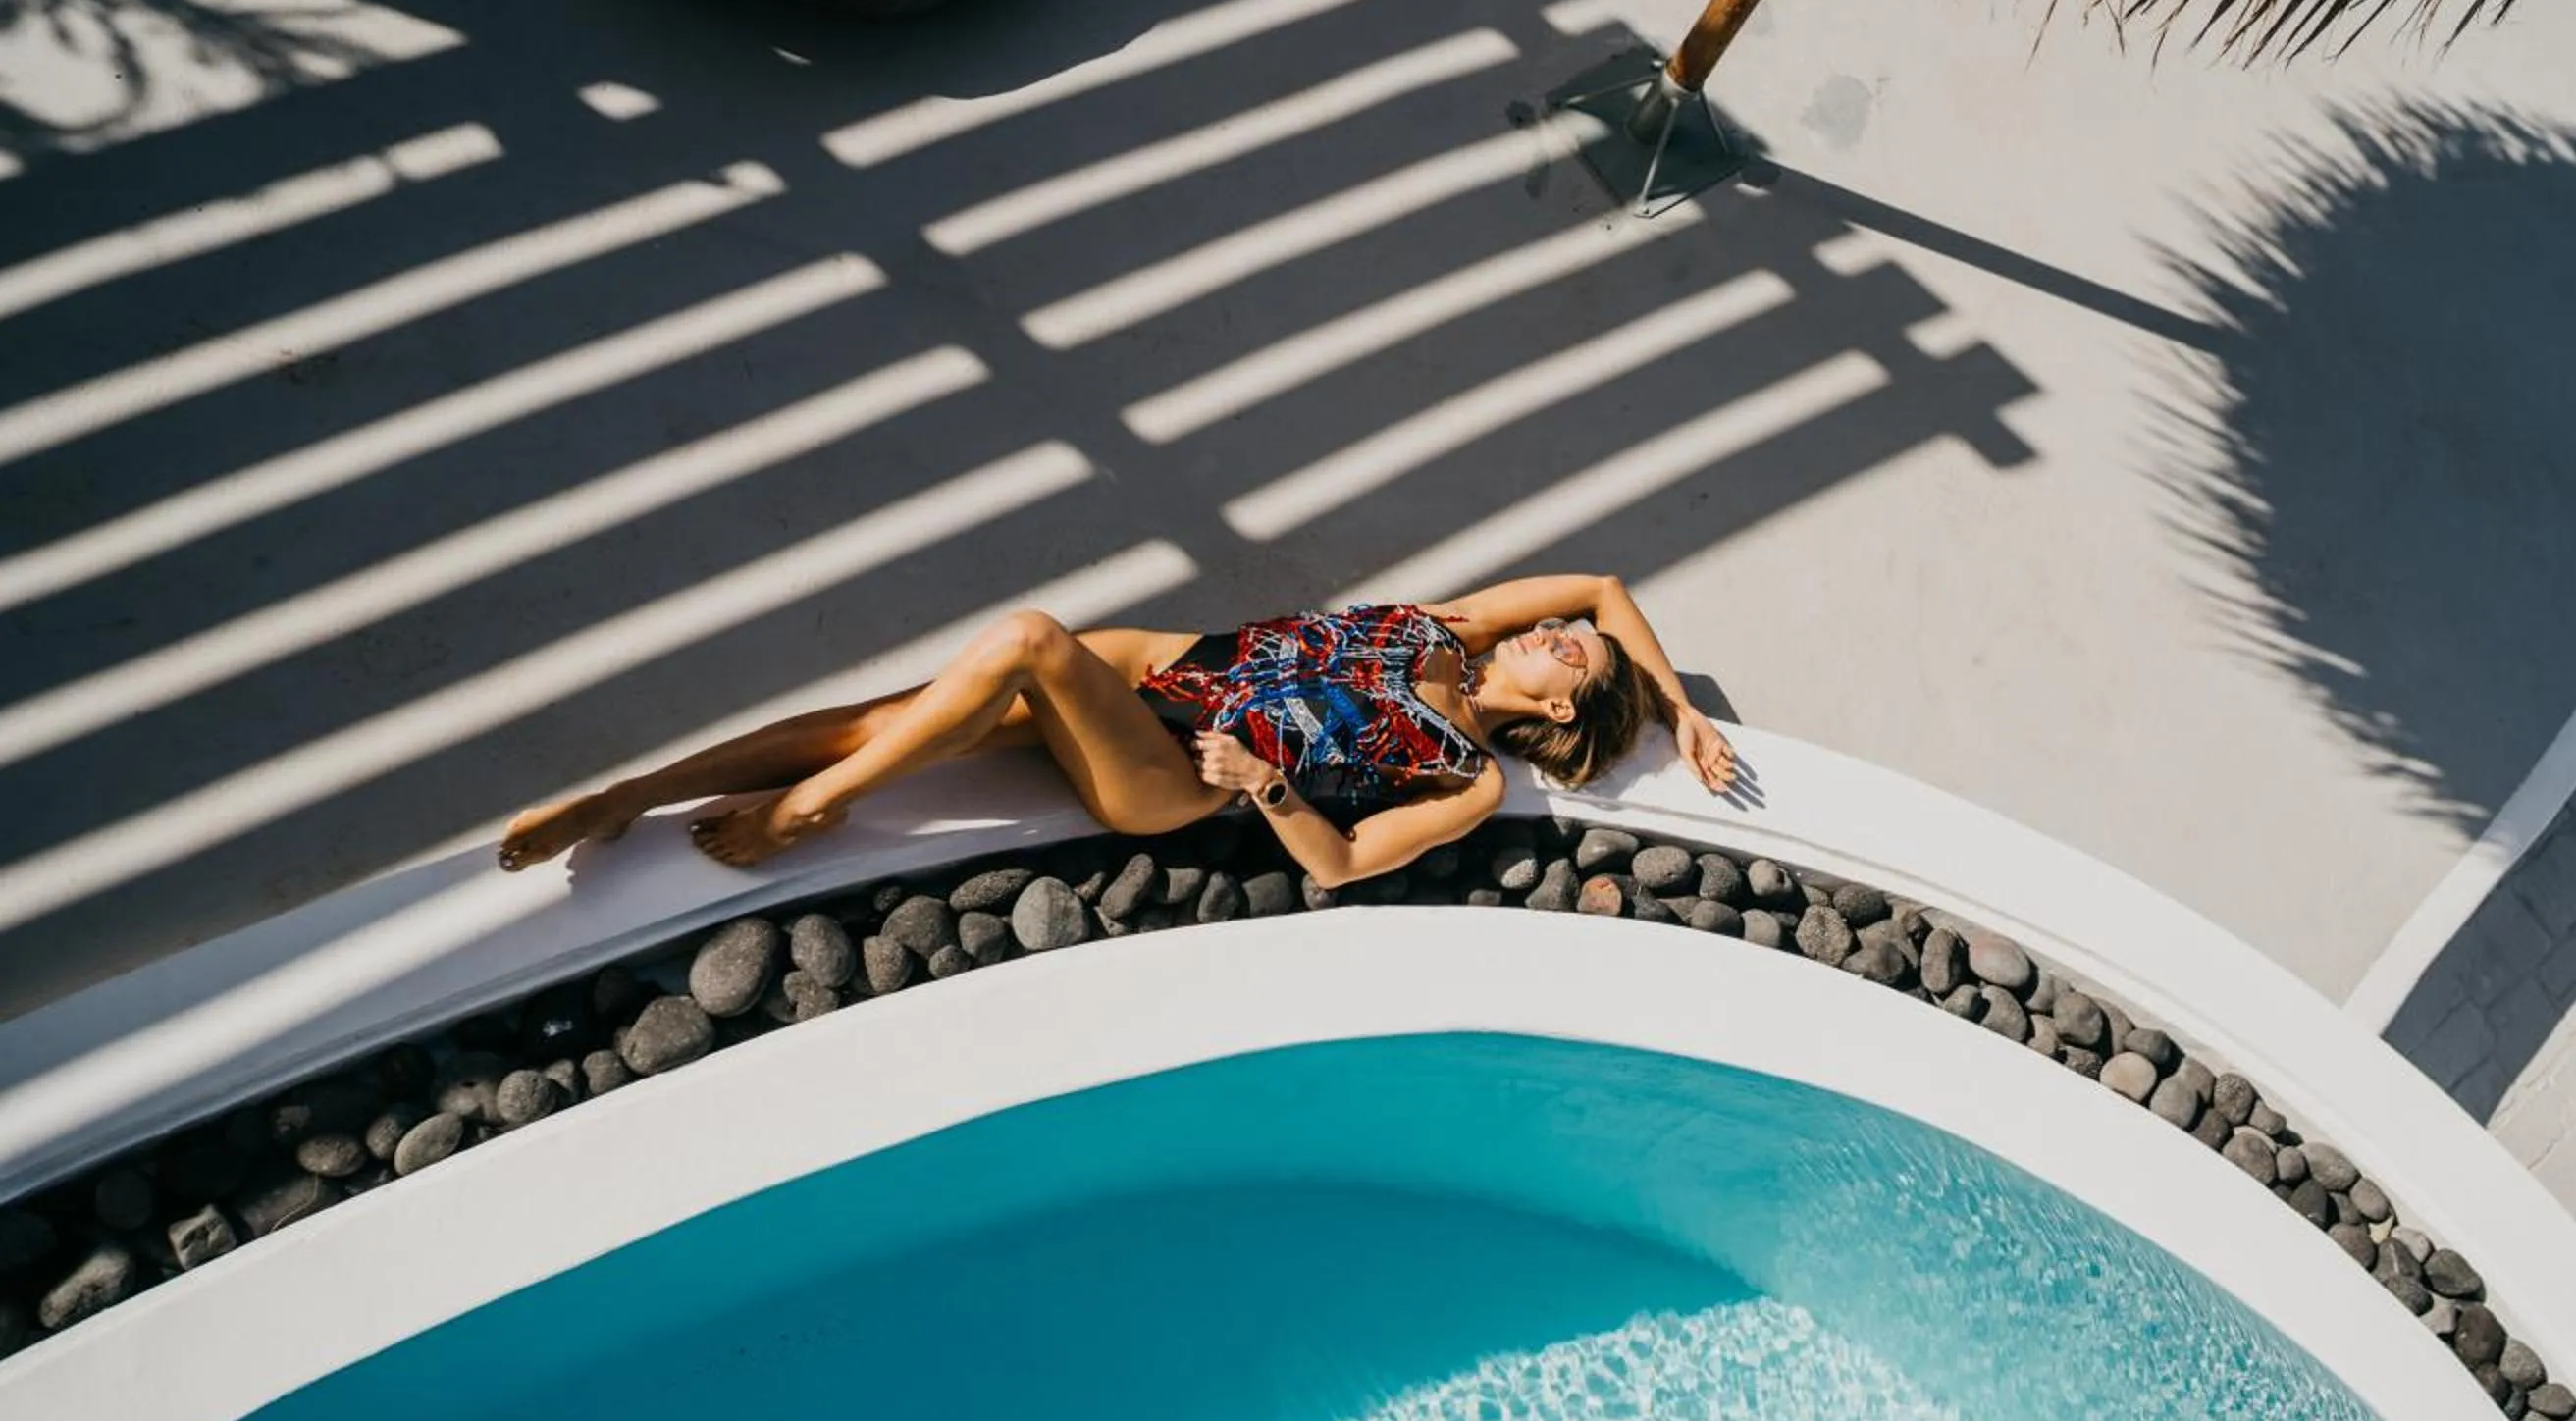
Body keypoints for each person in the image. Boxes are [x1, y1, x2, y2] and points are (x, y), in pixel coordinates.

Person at [498, 573, 1737, 889]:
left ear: (1563, 704)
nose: (1551, 631)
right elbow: (1607, 581)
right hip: (1177, 663)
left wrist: (1265, 782)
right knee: (891, 716)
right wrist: (1682, 711)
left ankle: (807, 809)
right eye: (1554, 629)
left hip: (1174, 776)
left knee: (1028, 643)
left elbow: (1343, 864)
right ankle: (635, 791)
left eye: (1564, 651)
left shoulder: (1463, 775)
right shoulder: (1457, 626)